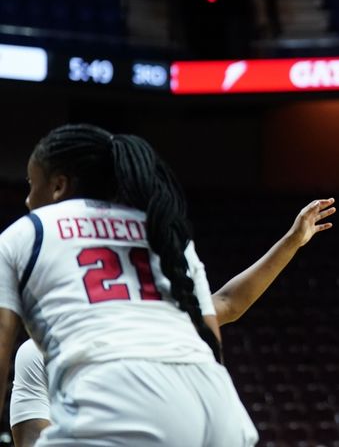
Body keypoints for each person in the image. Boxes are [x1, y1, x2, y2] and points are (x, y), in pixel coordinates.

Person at [0, 124, 322, 446]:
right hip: (219, 408)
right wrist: (292, 243)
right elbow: (224, 309)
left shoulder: (29, 231)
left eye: (32, 185)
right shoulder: (164, 235)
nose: (28, 199)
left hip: (121, 403)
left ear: (58, 186)